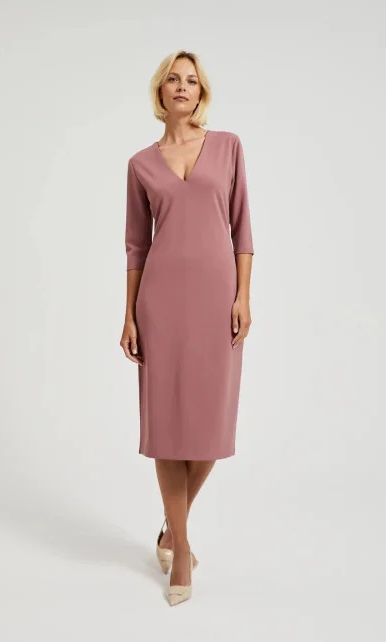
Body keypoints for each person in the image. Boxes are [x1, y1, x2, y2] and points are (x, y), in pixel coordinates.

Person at [120, 50, 255, 606]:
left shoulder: (228, 146)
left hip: (217, 301)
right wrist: (129, 313)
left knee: (208, 428)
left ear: (201, 93)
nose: (182, 86)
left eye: (192, 81)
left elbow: (242, 227)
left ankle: (169, 530)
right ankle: (181, 552)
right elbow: (136, 245)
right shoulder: (141, 164)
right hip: (160, 304)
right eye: (173, 79)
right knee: (167, 427)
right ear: (161, 91)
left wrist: (243, 295)